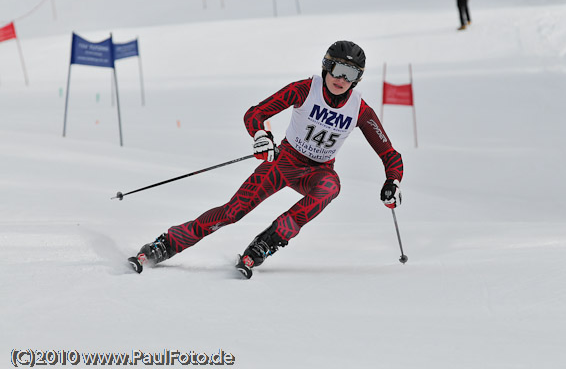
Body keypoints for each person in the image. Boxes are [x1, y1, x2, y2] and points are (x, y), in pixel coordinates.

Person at [128, 41, 404, 278]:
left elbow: (389, 154)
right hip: (283, 163)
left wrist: (393, 181)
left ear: (357, 79)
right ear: (326, 66)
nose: (341, 78)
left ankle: (267, 242)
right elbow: (255, 113)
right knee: (232, 212)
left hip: (317, 173)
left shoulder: (360, 110)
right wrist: (261, 136)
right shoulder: (304, 89)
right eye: (337, 69)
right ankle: (166, 244)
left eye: (351, 73)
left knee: (331, 186)